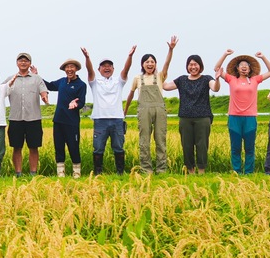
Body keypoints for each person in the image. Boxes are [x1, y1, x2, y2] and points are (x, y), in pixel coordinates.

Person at [163, 48, 227, 174]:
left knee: (202, 145)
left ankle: (201, 171)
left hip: (203, 118)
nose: (193, 67)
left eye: (195, 64)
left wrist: (218, 79)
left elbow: (215, 88)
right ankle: (191, 171)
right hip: (185, 118)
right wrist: (159, 73)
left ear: (200, 66)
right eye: (190, 65)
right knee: (186, 146)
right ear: (187, 66)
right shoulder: (181, 80)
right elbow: (165, 86)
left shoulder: (206, 79)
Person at [124, 37, 176, 174]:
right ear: (142, 64)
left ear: (155, 64)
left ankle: (161, 169)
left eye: (152, 62)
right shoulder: (137, 78)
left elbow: (167, 63)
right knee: (144, 141)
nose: (150, 64)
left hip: (159, 110)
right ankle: (146, 169)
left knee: (160, 140)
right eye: (147, 62)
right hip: (143, 111)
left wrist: (170, 49)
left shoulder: (160, 76)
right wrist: (124, 111)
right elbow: (130, 95)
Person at [82, 46, 134, 175]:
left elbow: (126, 70)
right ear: (99, 69)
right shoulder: (95, 82)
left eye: (109, 65)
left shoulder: (118, 81)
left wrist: (130, 56)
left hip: (117, 119)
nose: (107, 68)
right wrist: (87, 57)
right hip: (100, 120)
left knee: (118, 147)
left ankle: (120, 173)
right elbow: (89, 70)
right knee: (98, 148)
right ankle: (98, 173)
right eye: (103, 66)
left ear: (113, 69)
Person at [223, 51, 270, 174]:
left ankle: (249, 172)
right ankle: (236, 171)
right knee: (235, 147)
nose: (244, 67)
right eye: (241, 65)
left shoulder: (255, 80)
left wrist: (263, 57)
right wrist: (225, 55)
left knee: (249, 148)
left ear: (250, 68)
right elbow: (216, 68)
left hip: (250, 118)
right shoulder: (232, 79)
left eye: (246, 65)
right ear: (237, 68)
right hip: (234, 117)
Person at [6, 52, 49, 178]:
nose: (23, 62)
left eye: (26, 60)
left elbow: (43, 91)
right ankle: (18, 173)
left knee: (34, 147)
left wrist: (45, 97)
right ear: (17, 63)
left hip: (33, 118)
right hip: (15, 118)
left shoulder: (37, 78)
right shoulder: (11, 79)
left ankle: (33, 173)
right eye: (20, 60)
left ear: (30, 63)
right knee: (16, 147)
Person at [46, 59, 88, 178]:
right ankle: (61, 173)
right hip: (58, 120)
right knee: (59, 147)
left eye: (72, 67)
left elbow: (82, 101)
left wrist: (76, 104)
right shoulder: (62, 82)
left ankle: (76, 172)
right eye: (67, 67)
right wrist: (36, 75)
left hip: (72, 122)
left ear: (76, 69)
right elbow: (49, 85)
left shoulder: (81, 85)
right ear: (64, 70)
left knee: (73, 147)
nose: (69, 69)